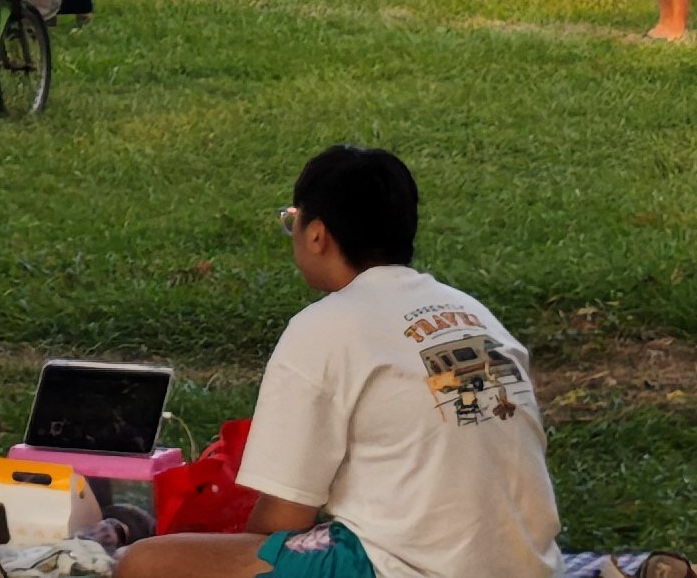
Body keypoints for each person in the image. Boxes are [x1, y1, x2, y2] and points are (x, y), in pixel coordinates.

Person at [116, 147, 561, 578]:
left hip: (407, 567)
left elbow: (284, 518)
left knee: (144, 564)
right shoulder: (471, 313)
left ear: (316, 234)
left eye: (292, 220)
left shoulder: (325, 326)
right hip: (526, 564)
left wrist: (242, 556)